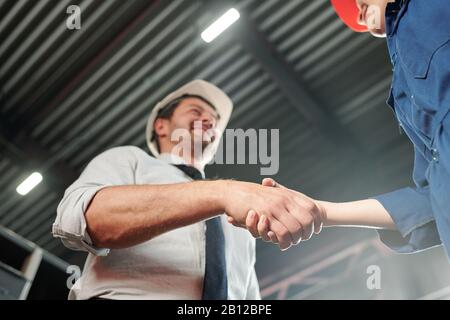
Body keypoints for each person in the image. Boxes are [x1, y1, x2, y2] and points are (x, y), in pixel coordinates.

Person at [52, 79, 319, 299]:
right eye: (195, 111)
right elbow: (87, 221)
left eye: (214, 119)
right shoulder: (128, 160)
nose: (209, 120)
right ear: (161, 126)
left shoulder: (238, 221)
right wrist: (222, 193)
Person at [240, 0, 450, 259]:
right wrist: (321, 211)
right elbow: (434, 199)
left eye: (361, 1)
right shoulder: (405, 90)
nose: (359, 13)